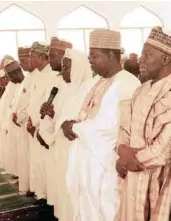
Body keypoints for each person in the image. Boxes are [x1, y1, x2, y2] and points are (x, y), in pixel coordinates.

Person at [64, 29, 140, 221]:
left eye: (95, 55)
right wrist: (70, 124)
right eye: (90, 55)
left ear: (111, 55)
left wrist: (75, 128)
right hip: (87, 156)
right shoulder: (96, 81)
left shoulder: (127, 83)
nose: (90, 59)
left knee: (107, 208)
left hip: (105, 161)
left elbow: (109, 126)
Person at [115, 26, 171, 221]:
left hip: (158, 178)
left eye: (147, 54)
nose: (141, 59)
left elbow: (164, 150)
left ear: (165, 60)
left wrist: (130, 159)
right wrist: (122, 149)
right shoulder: (142, 90)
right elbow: (124, 128)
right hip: (133, 173)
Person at [38, 48, 92, 221]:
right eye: (62, 67)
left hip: (77, 154)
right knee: (64, 194)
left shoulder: (88, 91)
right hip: (61, 152)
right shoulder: (63, 89)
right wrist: (51, 114)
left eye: (66, 67)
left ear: (78, 68)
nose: (62, 72)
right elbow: (61, 121)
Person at [27, 41, 59, 203]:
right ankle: (41, 195)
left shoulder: (52, 75)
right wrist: (30, 122)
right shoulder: (37, 75)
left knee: (47, 167)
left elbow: (49, 103)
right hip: (34, 128)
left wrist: (39, 128)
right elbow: (33, 101)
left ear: (42, 57)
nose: (30, 59)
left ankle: (48, 200)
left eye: (32, 56)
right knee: (38, 165)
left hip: (43, 130)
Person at [12, 47, 37, 196]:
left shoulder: (39, 77)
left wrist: (22, 117)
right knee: (27, 159)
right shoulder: (29, 78)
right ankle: (32, 187)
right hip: (24, 126)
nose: (23, 64)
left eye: (24, 60)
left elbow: (33, 103)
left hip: (31, 125)